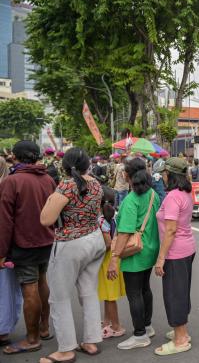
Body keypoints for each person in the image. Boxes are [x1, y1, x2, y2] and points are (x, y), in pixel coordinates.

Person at [39, 147, 106, 363]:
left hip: (70, 243)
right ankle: (91, 340)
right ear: (87, 164)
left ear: (65, 166)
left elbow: (45, 219)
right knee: (88, 291)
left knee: (59, 297)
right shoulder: (96, 183)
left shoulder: (66, 185)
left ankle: (66, 349)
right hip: (94, 239)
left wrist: (52, 198)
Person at [0, 141, 56, 355]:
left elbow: (4, 222)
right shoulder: (48, 179)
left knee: (30, 287)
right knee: (42, 281)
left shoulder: (11, 182)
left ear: (15, 156)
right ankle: (43, 328)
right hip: (46, 240)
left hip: (24, 243)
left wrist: (1, 252)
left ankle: (32, 338)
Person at [109, 157, 160, 350]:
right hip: (150, 248)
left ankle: (140, 335)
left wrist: (115, 258)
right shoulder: (153, 194)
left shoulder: (130, 200)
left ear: (127, 175)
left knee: (134, 293)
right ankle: (147, 326)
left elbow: (124, 233)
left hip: (133, 252)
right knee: (145, 289)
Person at [153, 157, 196, 355]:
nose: (162, 176)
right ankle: (182, 331)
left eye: (164, 173)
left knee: (174, 294)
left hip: (175, 251)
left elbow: (170, 230)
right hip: (187, 248)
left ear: (169, 174)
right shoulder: (186, 192)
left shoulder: (172, 197)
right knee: (181, 291)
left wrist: (161, 258)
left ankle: (181, 339)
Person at [94, 168, 126, 340]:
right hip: (115, 258)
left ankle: (116, 326)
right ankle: (107, 322)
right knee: (107, 295)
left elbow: (107, 244)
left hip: (108, 260)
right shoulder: (115, 216)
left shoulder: (101, 220)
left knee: (110, 296)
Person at [0, 157, 23, 348]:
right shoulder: (9, 185)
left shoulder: (8, 187)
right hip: (9, 247)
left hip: (5, 247)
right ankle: (4, 329)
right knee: (7, 290)